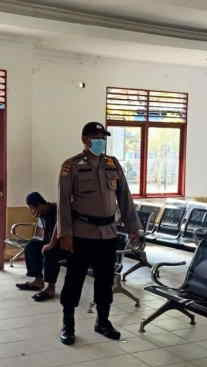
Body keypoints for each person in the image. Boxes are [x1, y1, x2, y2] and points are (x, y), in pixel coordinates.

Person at [57, 121, 141, 345]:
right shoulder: (71, 166)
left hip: (108, 234)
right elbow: (63, 203)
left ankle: (102, 322)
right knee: (74, 281)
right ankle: (68, 324)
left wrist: (133, 228)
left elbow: (125, 197)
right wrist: (65, 234)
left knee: (105, 281)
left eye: (103, 137)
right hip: (81, 234)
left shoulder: (113, 164)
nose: (101, 141)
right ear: (85, 140)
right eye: (96, 137)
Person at [15, 192, 63, 302]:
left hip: (63, 243)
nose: (33, 211)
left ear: (40, 204)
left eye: (33, 208)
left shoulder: (58, 210)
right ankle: (38, 281)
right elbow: (43, 234)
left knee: (50, 251)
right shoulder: (43, 213)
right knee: (31, 246)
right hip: (50, 241)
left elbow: (59, 231)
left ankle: (50, 288)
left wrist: (49, 245)